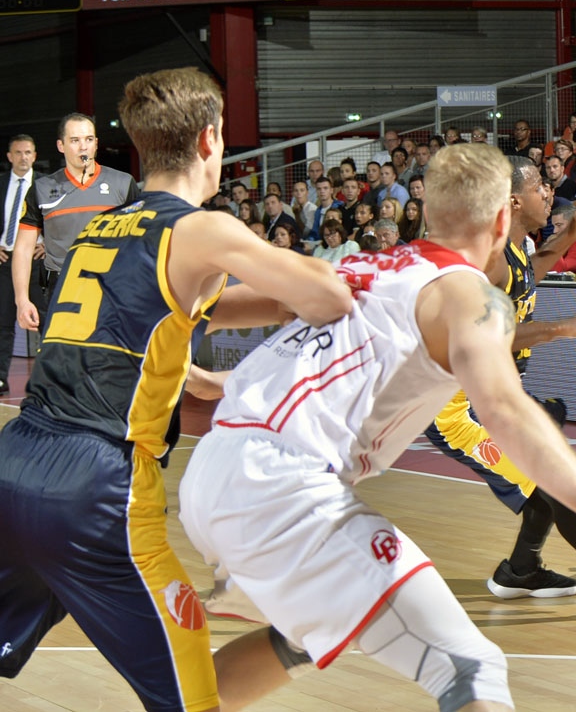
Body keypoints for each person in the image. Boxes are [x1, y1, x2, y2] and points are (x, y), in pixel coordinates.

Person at [180, 145, 576, 712]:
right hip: (279, 485)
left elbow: (212, 307)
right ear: (503, 218)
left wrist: (185, 350)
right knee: (471, 667)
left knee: (310, 631)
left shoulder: (355, 267)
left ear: (426, 212)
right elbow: (504, 408)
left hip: (210, 469)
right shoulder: (470, 294)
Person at [0, 68, 355, 712]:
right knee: (192, 703)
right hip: (97, 485)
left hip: (16, 460)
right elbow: (326, 295)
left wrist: (207, 372)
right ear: (211, 139)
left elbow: (168, 318)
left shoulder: (100, 229)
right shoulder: (202, 229)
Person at [424, 157, 576, 626]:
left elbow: (532, 268)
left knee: (544, 478)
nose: (549, 190)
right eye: (540, 185)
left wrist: (574, 230)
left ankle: (520, 570)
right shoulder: (486, 257)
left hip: (496, 395)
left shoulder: (514, 245)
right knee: (555, 482)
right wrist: (566, 327)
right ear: (514, 201)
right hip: (456, 408)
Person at [12, 114, 139, 333]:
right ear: (61, 146)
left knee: (112, 365)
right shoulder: (42, 189)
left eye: (89, 139)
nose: (83, 147)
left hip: (115, 289)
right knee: (62, 365)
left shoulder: (123, 184)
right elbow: (23, 249)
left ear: (96, 144)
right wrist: (22, 300)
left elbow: (142, 241)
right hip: (62, 290)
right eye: (75, 140)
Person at [0, 135, 39, 395]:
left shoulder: (48, 184)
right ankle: (0, 378)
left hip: (38, 262)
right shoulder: (1, 183)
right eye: (19, 152)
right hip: (5, 260)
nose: (24, 157)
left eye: (28, 152)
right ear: (9, 156)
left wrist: (47, 244)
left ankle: (49, 381)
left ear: (35, 155)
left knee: (46, 320)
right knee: (2, 322)